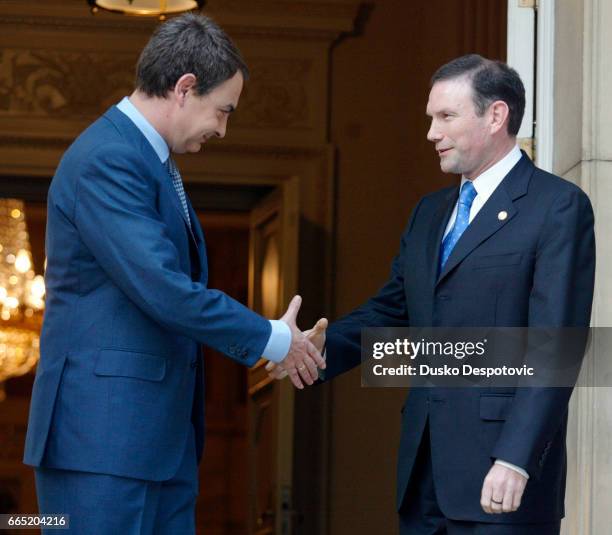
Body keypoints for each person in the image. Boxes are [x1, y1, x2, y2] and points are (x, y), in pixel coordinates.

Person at [23, 13, 325, 534]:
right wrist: (272, 338)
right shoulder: (109, 158)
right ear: (185, 88)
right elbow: (164, 289)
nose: (223, 129)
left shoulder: (146, 159)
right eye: (222, 110)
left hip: (153, 443)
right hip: (101, 444)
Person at [269, 54, 595, 534]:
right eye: (431, 118)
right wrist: (317, 349)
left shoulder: (557, 207)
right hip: (423, 476)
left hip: (501, 482)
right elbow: (392, 308)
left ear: (496, 115)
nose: (431, 133)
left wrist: (516, 458)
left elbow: (556, 345)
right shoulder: (429, 212)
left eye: (446, 117)